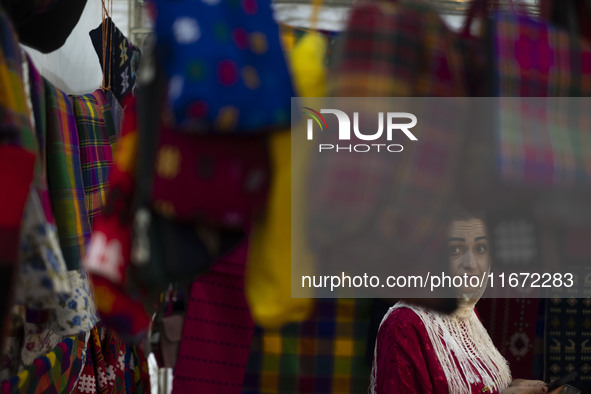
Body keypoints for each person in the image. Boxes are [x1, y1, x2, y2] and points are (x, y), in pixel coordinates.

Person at [369, 214, 549, 394]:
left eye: (480, 248)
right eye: (455, 250)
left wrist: (514, 387)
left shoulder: (466, 312)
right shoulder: (403, 325)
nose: (471, 263)